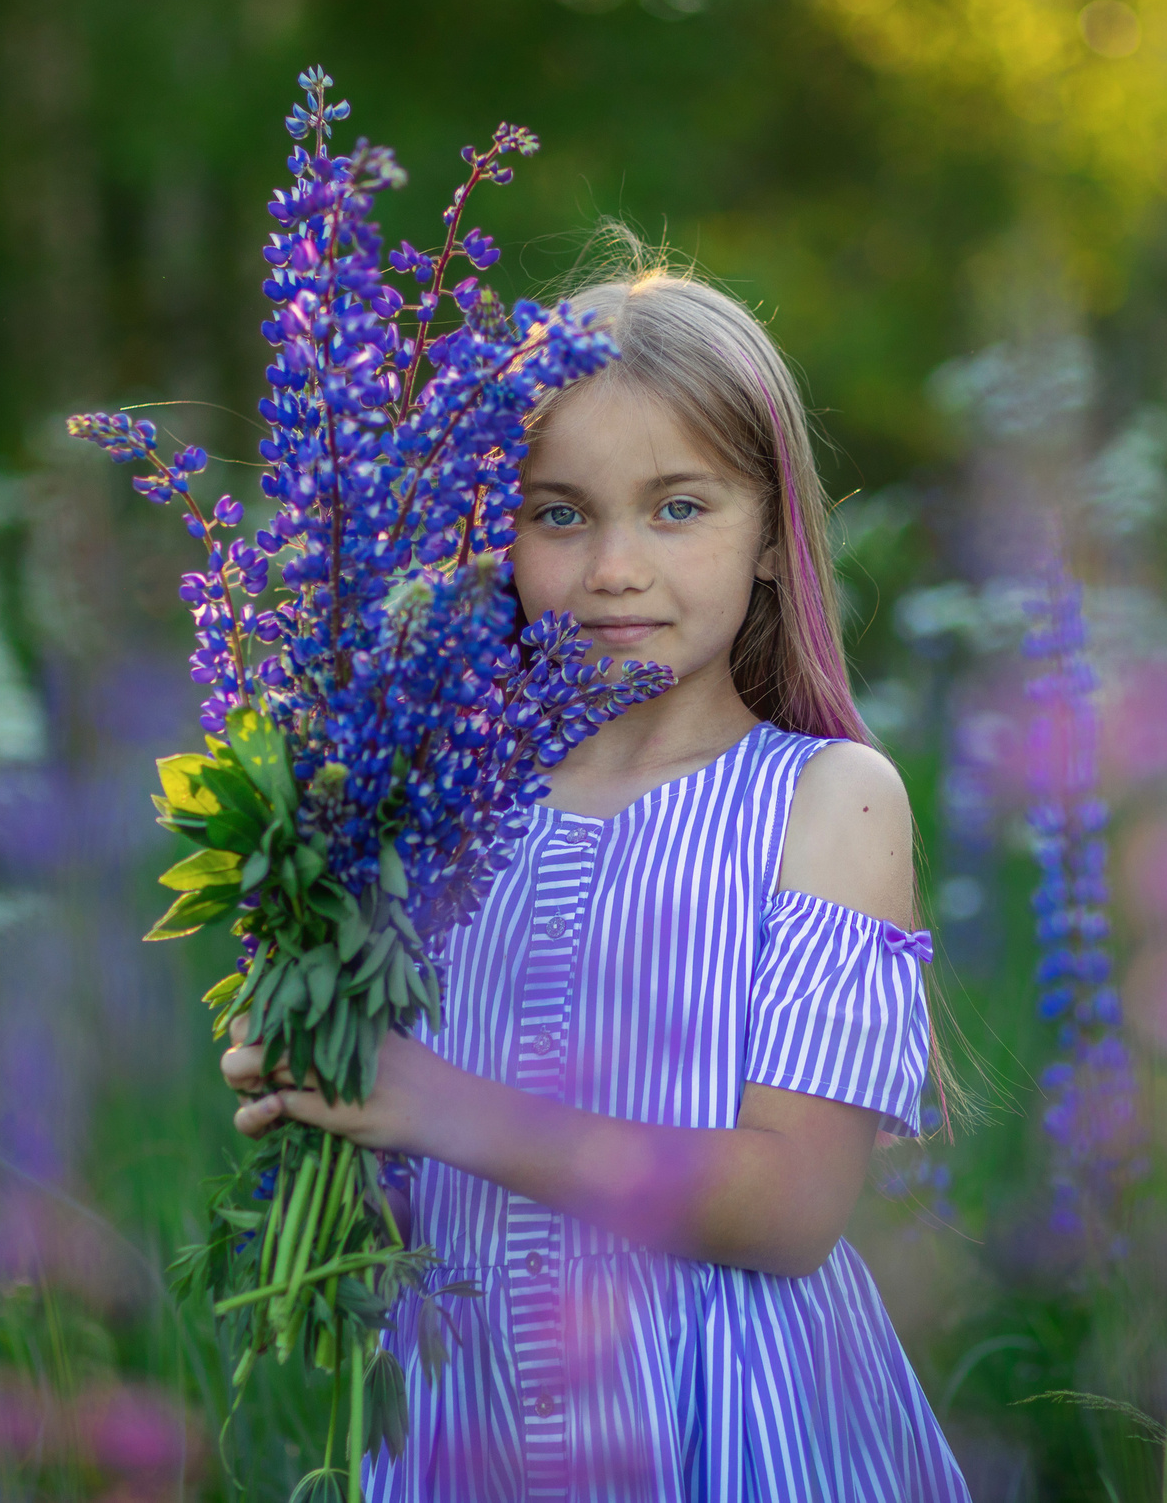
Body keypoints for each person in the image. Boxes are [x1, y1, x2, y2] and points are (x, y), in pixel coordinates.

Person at [223, 257, 970, 1502]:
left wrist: (436, 1104)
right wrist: (316, 1080)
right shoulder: (438, 809)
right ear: (496, 531)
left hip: (728, 1433)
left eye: (680, 508)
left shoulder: (827, 799)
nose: (615, 566)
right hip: (472, 1428)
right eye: (558, 513)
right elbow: (406, 1144)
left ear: (775, 534)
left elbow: (791, 1208)